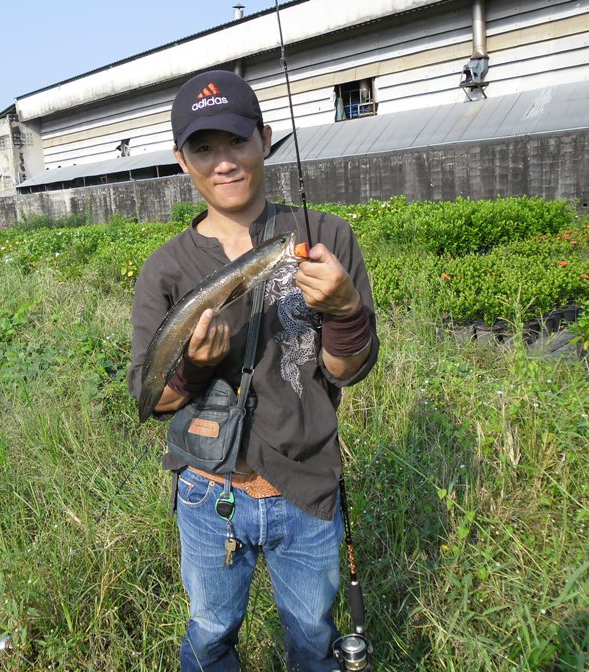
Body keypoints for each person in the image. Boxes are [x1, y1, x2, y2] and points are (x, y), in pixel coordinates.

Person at [128, 70, 378, 672]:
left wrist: (344, 311)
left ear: (265, 139)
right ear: (180, 159)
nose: (224, 163)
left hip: (308, 484)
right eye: (203, 148)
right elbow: (150, 401)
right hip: (208, 489)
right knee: (211, 635)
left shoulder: (324, 236)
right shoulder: (164, 270)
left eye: (237, 142)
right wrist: (190, 368)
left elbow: (347, 371)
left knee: (314, 640)